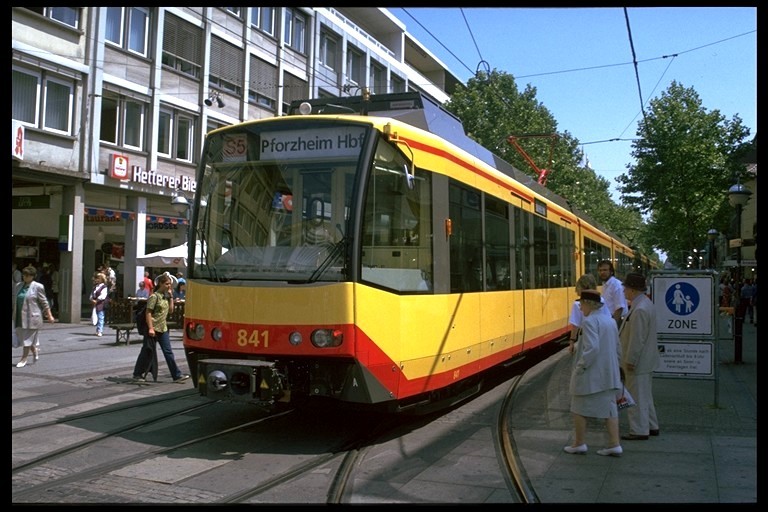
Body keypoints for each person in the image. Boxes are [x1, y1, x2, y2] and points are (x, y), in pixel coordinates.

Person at [563, 289, 623, 457]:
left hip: (592, 374)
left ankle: (579, 443)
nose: (580, 308)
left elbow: (592, 349)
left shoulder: (589, 322)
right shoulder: (610, 321)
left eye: (581, 304)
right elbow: (618, 347)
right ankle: (614, 444)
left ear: (589, 304)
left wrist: (580, 367)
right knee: (610, 409)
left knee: (578, 407)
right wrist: (617, 366)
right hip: (609, 374)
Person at [619, 272, 660, 441]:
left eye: (626, 288)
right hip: (646, 361)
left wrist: (630, 360)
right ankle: (651, 425)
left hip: (638, 362)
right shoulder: (645, 304)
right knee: (645, 396)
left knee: (636, 397)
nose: (624, 291)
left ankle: (638, 430)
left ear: (633, 290)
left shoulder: (640, 310)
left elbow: (637, 339)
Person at [132, 272, 189, 383]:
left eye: (170, 284)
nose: (169, 286)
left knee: (168, 352)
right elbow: (148, 313)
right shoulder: (154, 297)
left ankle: (176, 375)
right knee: (146, 351)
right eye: (167, 284)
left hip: (163, 328)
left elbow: (171, 311)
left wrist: (171, 296)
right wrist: (150, 328)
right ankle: (137, 374)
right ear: (161, 284)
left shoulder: (165, 297)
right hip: (153, 328)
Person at [13, 265, 55, 368]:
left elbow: (44, 302)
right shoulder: (18, 285)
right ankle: (34, 350)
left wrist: (49, 315)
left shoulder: (38, 286)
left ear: (33, 276)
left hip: (32, 317)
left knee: (27, 338)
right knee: (23, 338)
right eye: (24, 275)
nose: (25, 277)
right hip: (19, 316)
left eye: (28, 275)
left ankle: (24, 359)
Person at [567, 273, 603, 354]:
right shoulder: (602, 301)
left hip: (586, 339)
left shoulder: (577, 304)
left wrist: (572, 341)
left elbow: (575, 325)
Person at [597, 259, 628, 329]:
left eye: (605, 270)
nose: (602, 272)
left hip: (616, 321)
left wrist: (612, 326)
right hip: (608, 320)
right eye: (600, 270)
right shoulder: (605, 284)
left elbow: (619, 308)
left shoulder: (616, 285)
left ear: (611, 272)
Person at [90, 272, 109, 337]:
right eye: (96, 278)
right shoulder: (95, 287)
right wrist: (92, 299)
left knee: (101, 317)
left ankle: (100, 331)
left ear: (102, 279)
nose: (97, 279)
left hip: (101, 303)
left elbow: (103, 296)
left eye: (98, 278)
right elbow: (91, 294)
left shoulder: (104, 287)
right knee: (96, 316)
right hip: (95, 303)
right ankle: (98, 330)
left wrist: (97, 300)